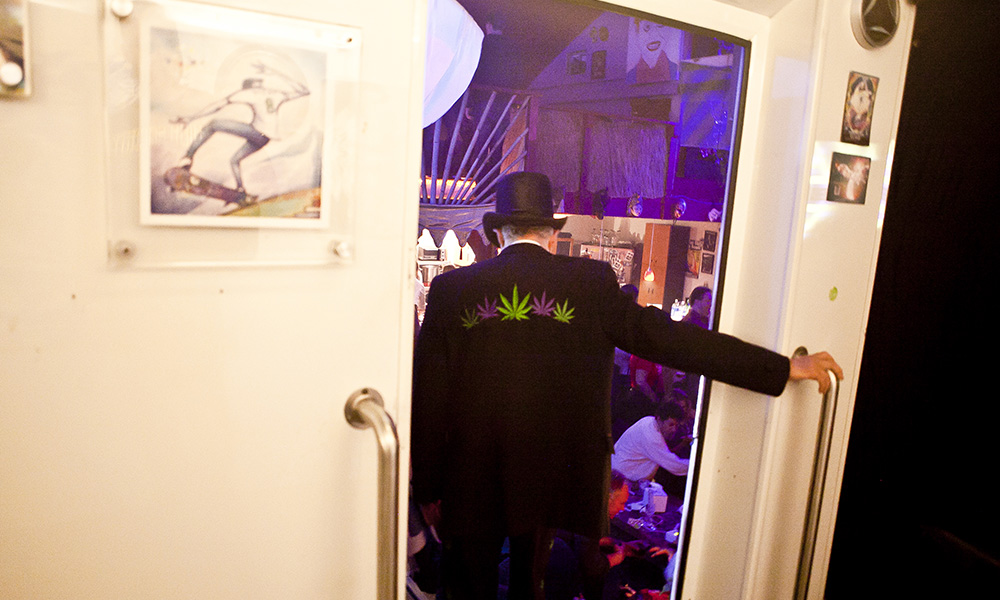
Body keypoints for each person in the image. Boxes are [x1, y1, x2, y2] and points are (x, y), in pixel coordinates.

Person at [411, 171, 842, 600]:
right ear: (550, 233)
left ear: (497, 233)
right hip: (553, 477)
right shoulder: (590, 283)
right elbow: (673, 340)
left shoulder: (452, 290)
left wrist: (428, 488)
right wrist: (781, 367)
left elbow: (428, 396)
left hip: (469, 477)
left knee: (467, 588)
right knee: (531, 584)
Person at [171, 61, 310, 195]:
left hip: (256, 133)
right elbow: (304, 91)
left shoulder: (250, 93)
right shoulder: (276, 94)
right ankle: (241, 190)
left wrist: (191, 118)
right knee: (235, 161)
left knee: (214, 124)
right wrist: (274, 72)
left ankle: (188, 157)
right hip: (264, 140)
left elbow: (219, 105)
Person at [611, 402, 690, 495]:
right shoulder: (651, 436)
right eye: (671, 425)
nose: (674, 430)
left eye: (676, 425)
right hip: (620, 481)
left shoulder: (648, 420)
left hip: (619, 475)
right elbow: (674, 465)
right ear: (659, 419)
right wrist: (698, 466)